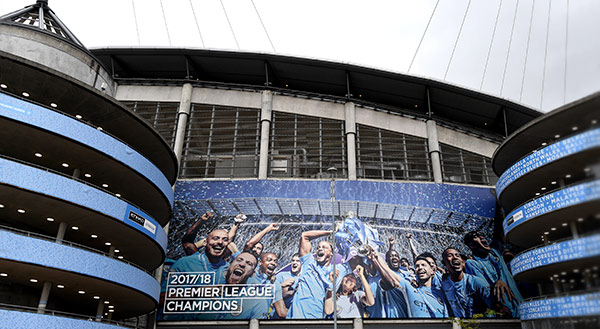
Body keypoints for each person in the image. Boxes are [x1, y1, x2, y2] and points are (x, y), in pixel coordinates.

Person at [370, 249, 448, 318]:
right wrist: (376, 257)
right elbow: (391, 275)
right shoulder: (410, 288)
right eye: (417, 266)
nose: (420, 267)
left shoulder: (443, 291)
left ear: (433, 271)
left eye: (423, 265)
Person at [463, 231, 522, 317]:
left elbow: (499, 233)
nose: (482, 237)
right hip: (504, 313)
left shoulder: (495, 254)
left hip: (521, 308)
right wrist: (499, 308)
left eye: (482, 235)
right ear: (471, 245)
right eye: (476, 236)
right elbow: (483, 289)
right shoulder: (472, 263)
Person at [440, 247, 511, 318]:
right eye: (450, 255)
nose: (455, 257)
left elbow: (495, 304)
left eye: (457, 255)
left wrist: (501, 310)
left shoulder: (476, 282)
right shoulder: (443, 284)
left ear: (462, 262)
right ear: (445, 264)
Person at [287, 229, 335, 319]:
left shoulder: (335, 270)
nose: (320, 249)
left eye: (324, 247)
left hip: (316, 318)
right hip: (297, 317)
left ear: (331, 253)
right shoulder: (308, 262)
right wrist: (330, 232)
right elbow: (305, 236)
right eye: (318, 247)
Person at [220, 251, 272, 320]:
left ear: (252, 274)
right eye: (239, 260)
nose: (242, 264)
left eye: (249, 264)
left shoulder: (257, 303)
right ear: (230, 264)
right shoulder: (209, 287)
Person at [272, 253, 302, 318]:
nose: (294, 263)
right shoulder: (281, 275)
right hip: (278, 316)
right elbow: (270, 292)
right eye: (293, 260)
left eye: (298, 261)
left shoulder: (305, 278)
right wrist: (282, 285)